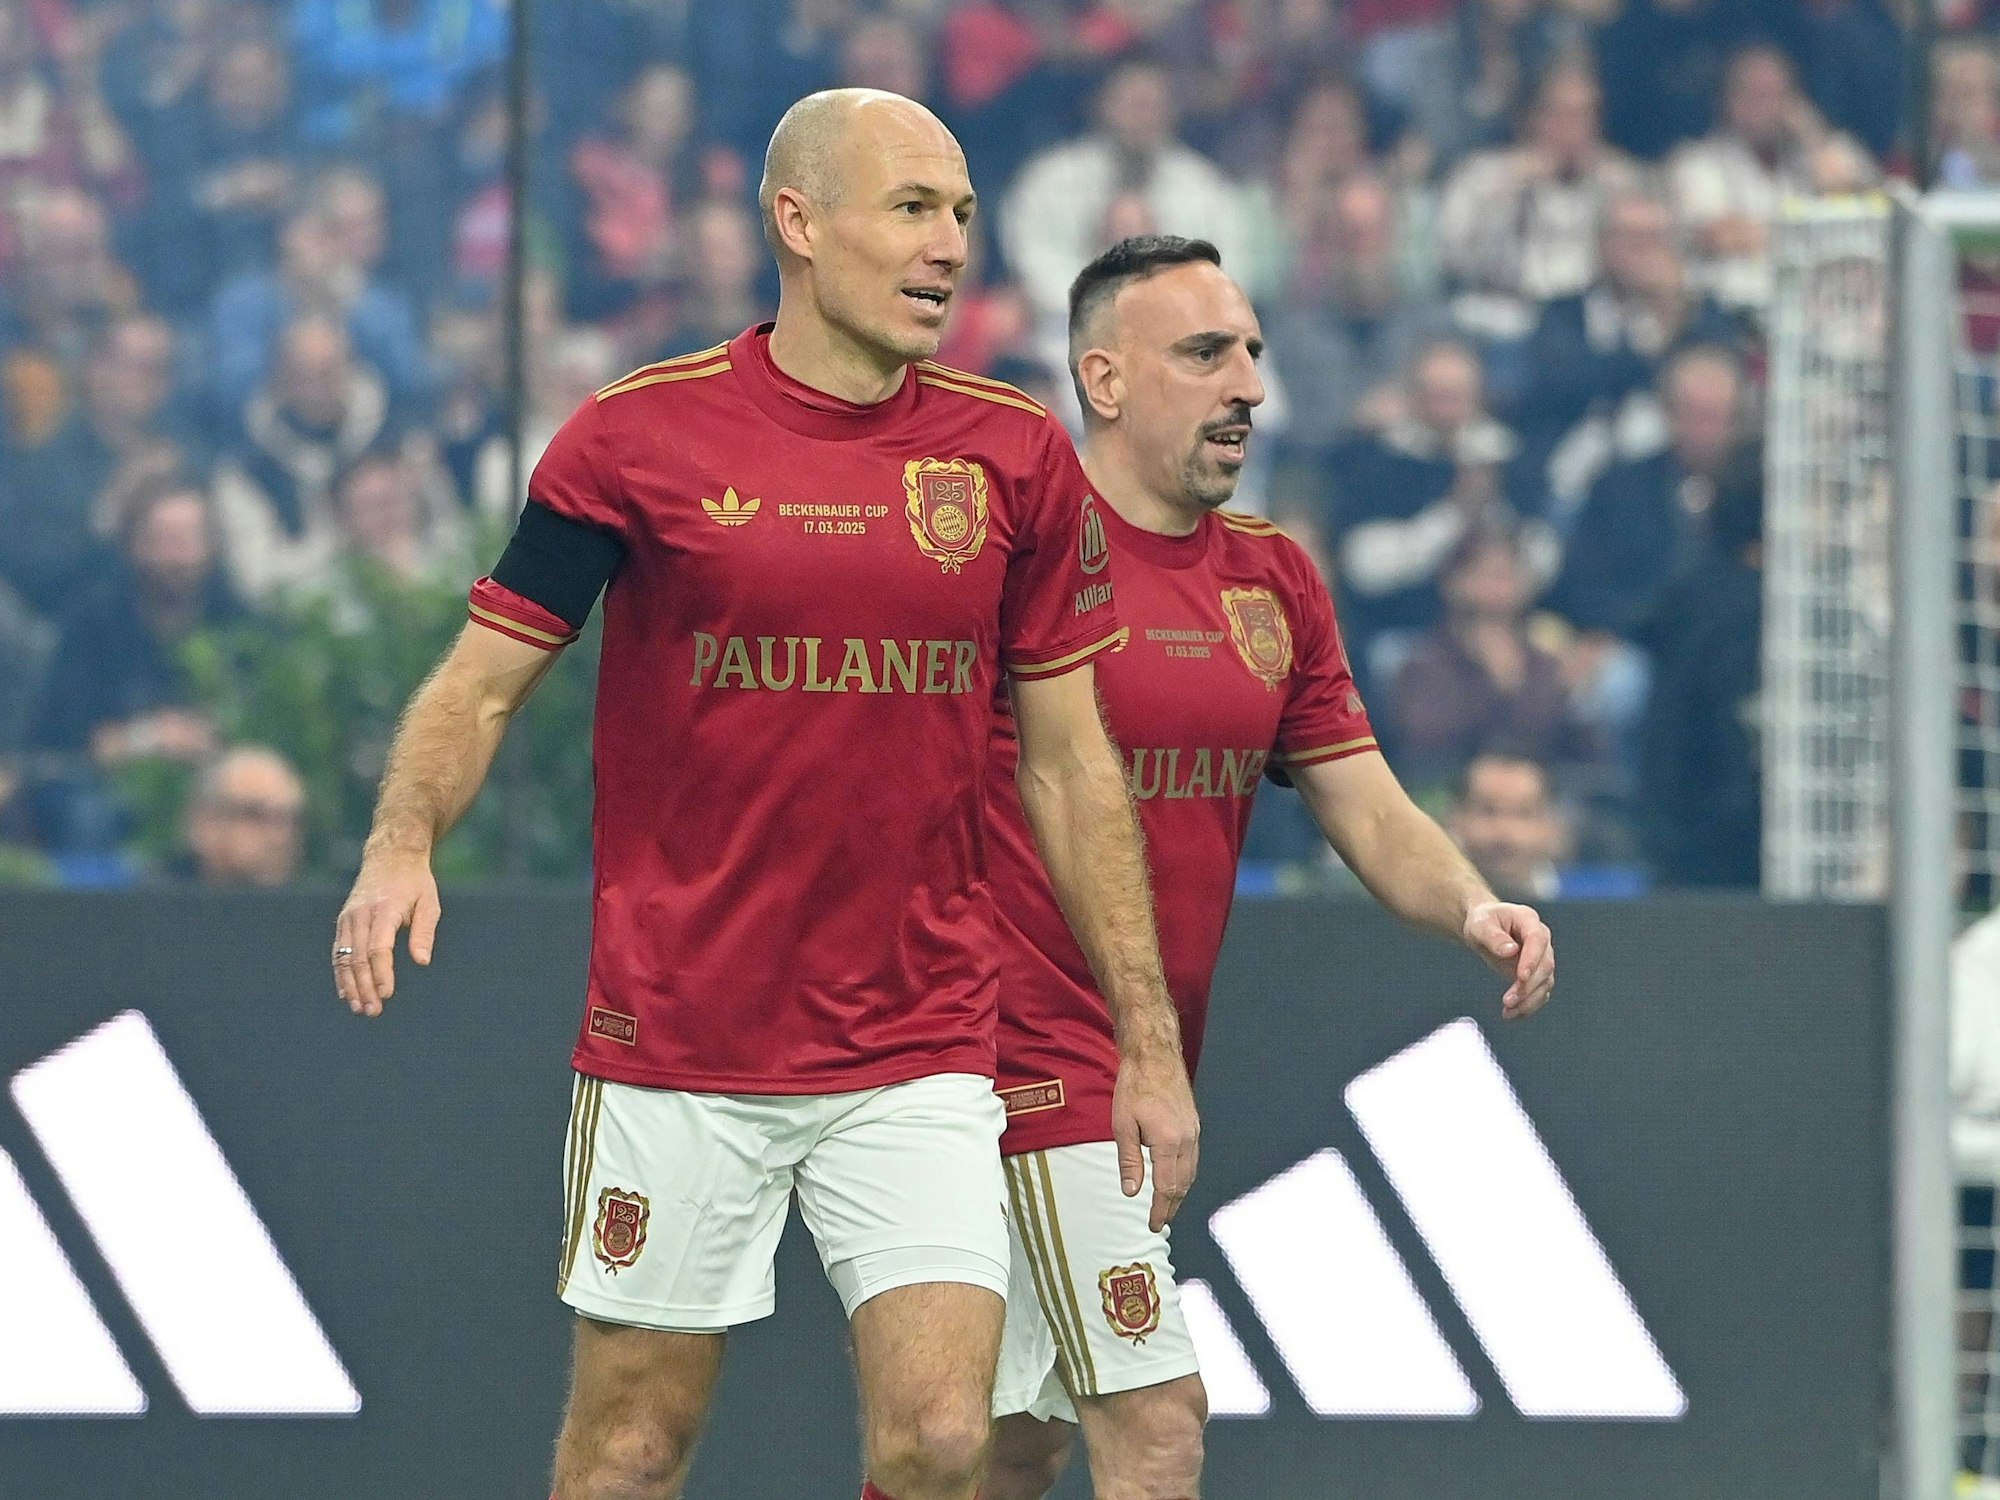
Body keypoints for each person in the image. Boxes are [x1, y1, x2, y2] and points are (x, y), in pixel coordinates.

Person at [330, 88, 1197, 1500]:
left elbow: (1071, 759)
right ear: (798, 222)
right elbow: (484, 680)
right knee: (630, 1451)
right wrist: (400, 840)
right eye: (913, 207)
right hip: (678, 1034)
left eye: (965, 215)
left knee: (942, 1442)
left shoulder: (1013, 454)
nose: (949, 247)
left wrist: (1142, 1046)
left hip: (919, 1037)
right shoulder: (632, 438)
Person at [979, 236, 1555, 1500]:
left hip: (1147, 1060)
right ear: (1105, 380)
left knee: (1004, 1447)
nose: (1247, 383)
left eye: (1252, 352)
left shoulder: (1272, 579)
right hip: (1011, 1056)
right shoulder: (1004, 560)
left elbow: (1368, 806)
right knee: (1159, 1420)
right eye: (1204, 353)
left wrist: (1471, 903)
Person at [1448, 748, 1571, 902]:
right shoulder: (1427, 906)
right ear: (1456, 819)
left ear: (1551, 824)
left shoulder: (1583, 900)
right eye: (1488, 810)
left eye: (1523, 813)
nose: (1504, 831)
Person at [181, 744, 307, 886]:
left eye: (288, 819)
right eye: (256, 815)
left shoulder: (320, 905)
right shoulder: (157, 899)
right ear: (206, 822)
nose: (278, 836)